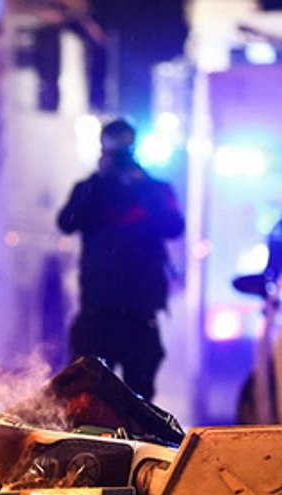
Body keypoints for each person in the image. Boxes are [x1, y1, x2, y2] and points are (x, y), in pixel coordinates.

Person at [57, 118, 185, 401]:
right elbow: (66, 222)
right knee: (86, 398)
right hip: (97, 310)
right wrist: (97, 182)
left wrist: (142, 186)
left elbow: (174, 226)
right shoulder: (90, 189)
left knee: (139, 401)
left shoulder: (155, 189)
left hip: (139, 312)